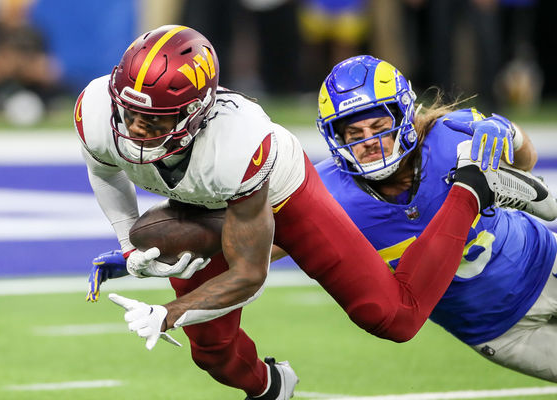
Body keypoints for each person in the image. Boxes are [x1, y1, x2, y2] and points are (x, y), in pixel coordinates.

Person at [76, 26, 537, 399]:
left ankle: (471, 190)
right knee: (212, 353)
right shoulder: (97, 111)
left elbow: (249, 274)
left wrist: (171, 311)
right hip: (203, 206)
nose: (135, 129)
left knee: (390, 316)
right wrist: (127, 241)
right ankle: (272, 388)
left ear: (198, 113)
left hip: (274, 195)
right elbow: (105, 169)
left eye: (156, 119)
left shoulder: (240, 146)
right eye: (128, 112)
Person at [312, 55, 557, 382]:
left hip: (545, 263)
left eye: (379, 127)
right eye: (354, 132)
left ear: (403, 117)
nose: (368, 141)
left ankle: (484, 187)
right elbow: (263, 239)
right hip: (498, 332)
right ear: (337, 138)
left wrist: (508, 132)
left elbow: (527, 160)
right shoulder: (327, 196)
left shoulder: (451, 136)